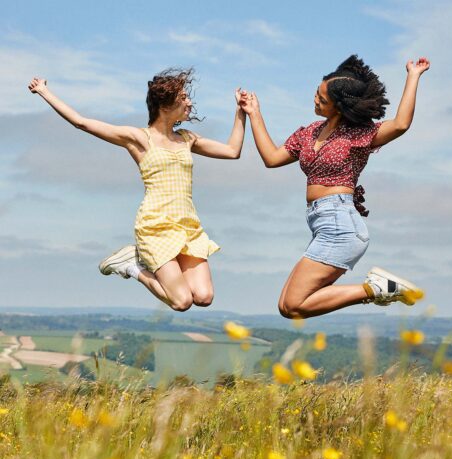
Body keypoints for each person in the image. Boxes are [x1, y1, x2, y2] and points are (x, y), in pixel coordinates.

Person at [29, 68, 246, 311]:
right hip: (157, 226)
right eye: (183, 97)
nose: (189, 102)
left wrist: (240, 112)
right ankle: (132, 266)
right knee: (182, 301)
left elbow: (232, 151)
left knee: (204, 297)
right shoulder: (139, 139)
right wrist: (44, 91)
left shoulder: (187, 138)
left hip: (188, 226)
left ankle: (141, 265)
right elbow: (82, 123)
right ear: (165, 104)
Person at [239, 55, 430, 318]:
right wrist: (254, 113)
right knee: (287, 306)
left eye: (323, 99)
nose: (315, 100)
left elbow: (401, 124)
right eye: (317, 93)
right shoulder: (309, 132)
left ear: (339, 106)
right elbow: (271, 158)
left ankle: (375, 290)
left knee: (295, 305)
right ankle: (377, 290)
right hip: (322, 224)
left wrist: (413, 76)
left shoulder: (358, 134)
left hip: (341, 225)